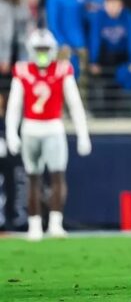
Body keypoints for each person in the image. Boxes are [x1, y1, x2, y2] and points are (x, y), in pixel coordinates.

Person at [5, 29, 91, 241]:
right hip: (31, 127)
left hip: (53, 126)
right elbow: (14, 106)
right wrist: (11, 132)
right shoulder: (23, 70)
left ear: (52, 50)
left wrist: (83, 134)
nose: (42, 53)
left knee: (57, 175)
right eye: (38, 49)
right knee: (32, 177)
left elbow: (75, 104)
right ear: (31, 50)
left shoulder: (62, 69)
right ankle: (34, 225)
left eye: (45, 49)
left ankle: (55, 223)